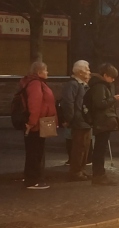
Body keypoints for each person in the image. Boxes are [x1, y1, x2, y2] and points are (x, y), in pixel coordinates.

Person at [20, 60, 58, 190]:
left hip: (39, 123)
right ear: (39, 71)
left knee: (35, 151)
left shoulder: (36, 83)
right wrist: (31, 123)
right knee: (35, 152)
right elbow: (34, 105)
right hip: (36, 124)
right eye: (46, 70)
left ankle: (32, 178)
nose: (48, 72)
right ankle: (32, 180)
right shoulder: (36, 84)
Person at [85, 63, 119, 186]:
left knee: (100, 148)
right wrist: (113, 99)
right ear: (105, 75)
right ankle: (99, 175)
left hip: (103, 121)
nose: (113, 80)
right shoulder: (100, 86)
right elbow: (100, 104)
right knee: (100, 149)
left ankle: (99, 174)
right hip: (102, 121)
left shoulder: (99, 85)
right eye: (111, 77)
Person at [57, 60, 91, 181]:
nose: (89, 71)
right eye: (87, 69)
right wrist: (69, 119)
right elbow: (68, 102)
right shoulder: (73, 84)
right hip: (79, 120)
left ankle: (81, 170)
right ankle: (76, 171)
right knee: (79, 147)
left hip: (86, 120)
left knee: (85, 147)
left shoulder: (82, 84)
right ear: (80, 72)